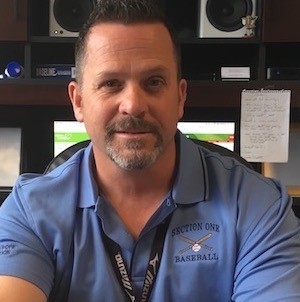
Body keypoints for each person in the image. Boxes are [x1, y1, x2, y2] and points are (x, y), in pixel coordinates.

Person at [0, 0, 299, 301]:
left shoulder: (258, 206)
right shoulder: (29, 211)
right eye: (111, 83)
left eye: (153, 82)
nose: (133, 105)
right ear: (78, 101)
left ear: (180, 97)